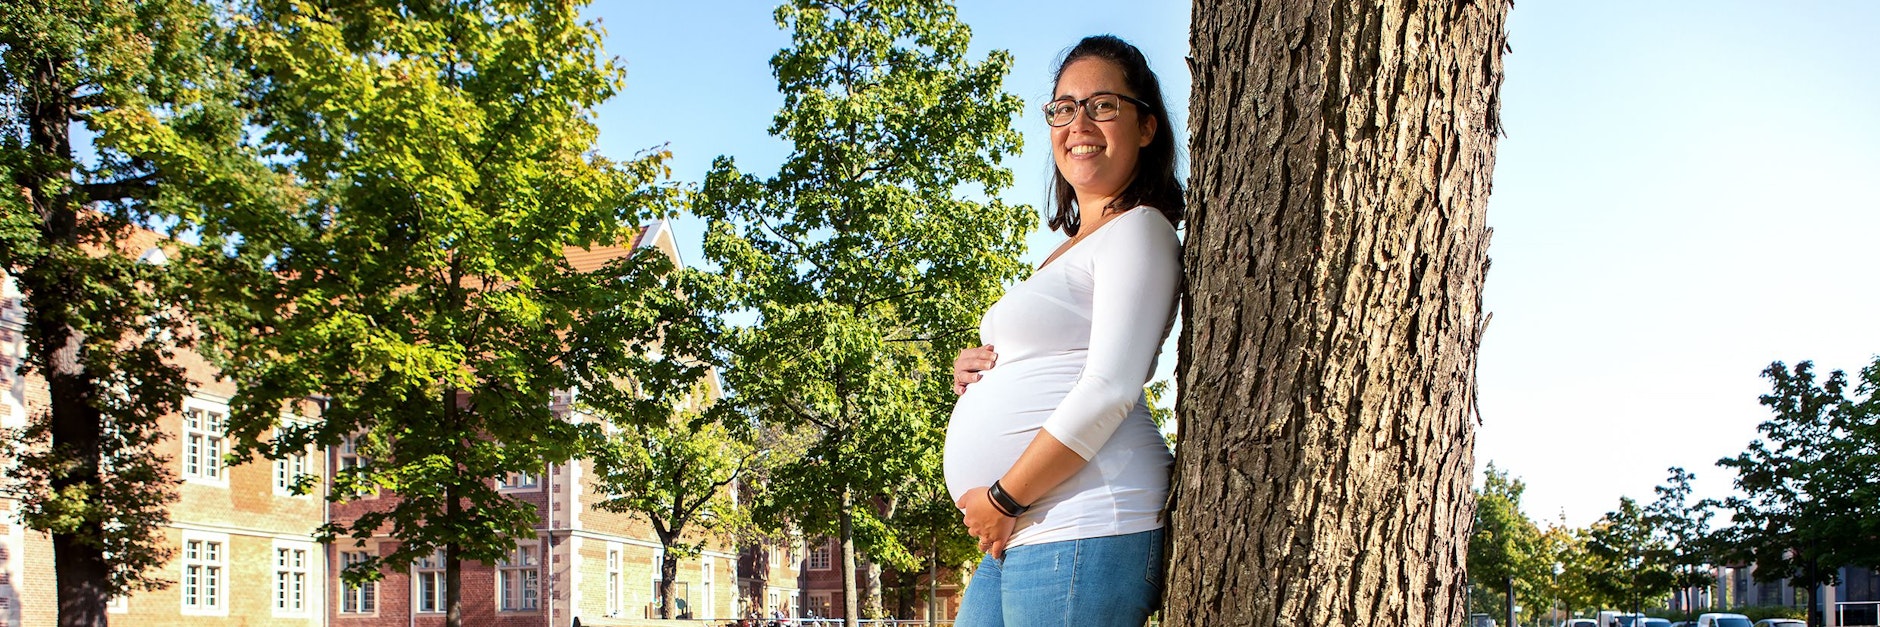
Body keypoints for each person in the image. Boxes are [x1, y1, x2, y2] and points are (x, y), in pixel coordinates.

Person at [945, 34, 1183, 627]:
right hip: (1023, 526)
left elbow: (1110, 387)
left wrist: (1003, 497)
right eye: (1064, 108)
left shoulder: (1140, 228)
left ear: (1146, 126)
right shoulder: (1067, 249)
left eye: (1103, 105)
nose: (1079, 123)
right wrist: (981, 371)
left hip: (1085, 518)